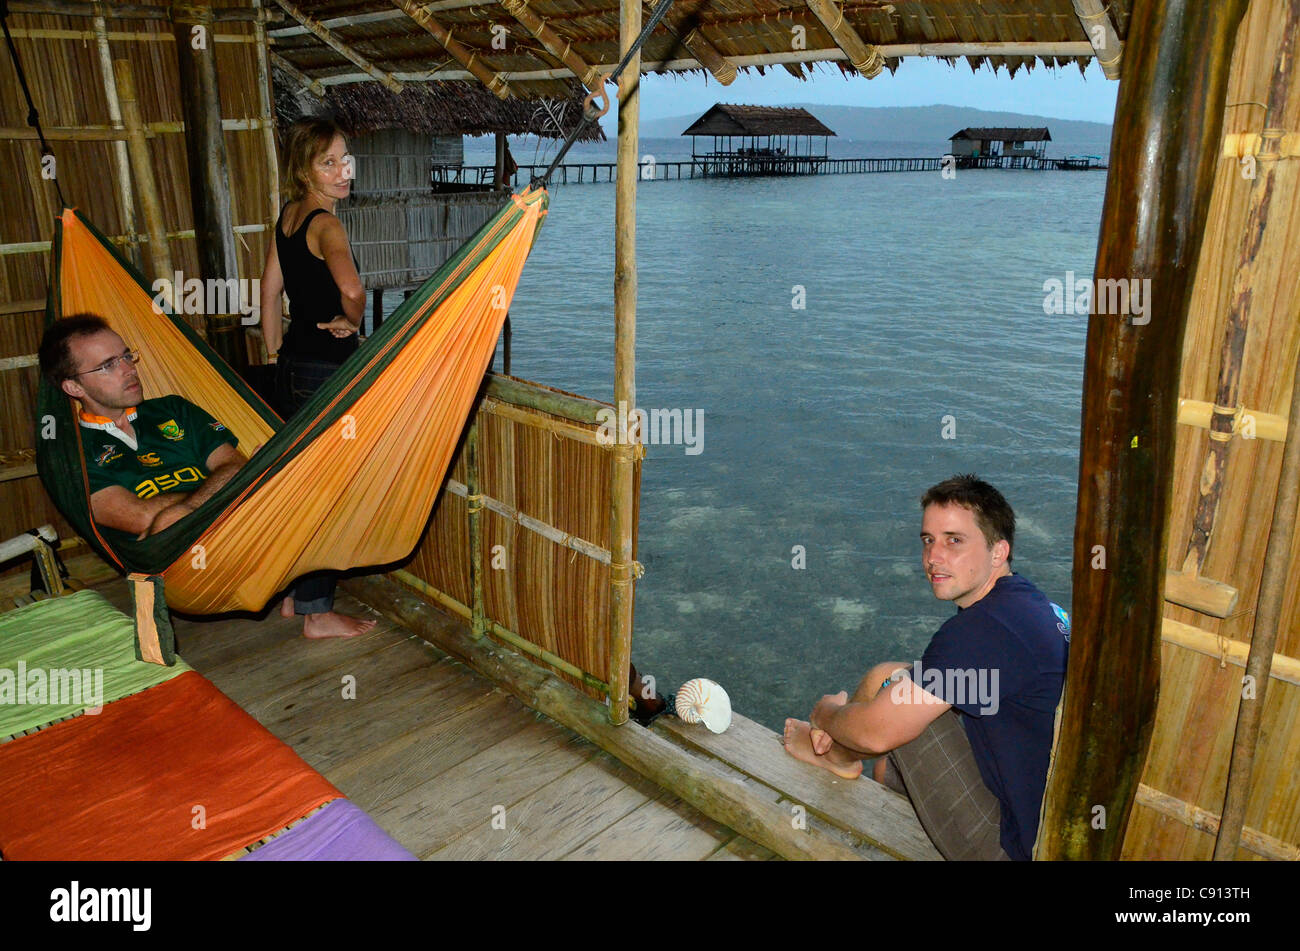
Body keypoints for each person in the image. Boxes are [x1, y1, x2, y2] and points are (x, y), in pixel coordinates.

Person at [782, 474, 1069, 861]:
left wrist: (824, 714)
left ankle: (835, 753)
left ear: (998, 552)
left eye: (954, 540)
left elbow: (876, 734)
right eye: (928, 540)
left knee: (896, 709)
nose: (934, 556)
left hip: (1015, 848)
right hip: (1048, 823)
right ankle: (841, 757)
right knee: (895, 680)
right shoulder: (1029, 606)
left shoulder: (982, 630)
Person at [39, 314, 374, 640]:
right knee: (169, 522)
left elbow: (232, 463)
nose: (129, 369)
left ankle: (311, 606)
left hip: (236, 529)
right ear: (73, 385)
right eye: (108, 365)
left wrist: (223, 490)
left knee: (312, 473)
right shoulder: (69, 452)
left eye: (127, 356)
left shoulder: (173, 409)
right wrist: (236, 487)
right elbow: (140, 517)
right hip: (178, 563)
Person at [259, 117, 375, 639]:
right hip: (327, 371)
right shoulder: (327, 224)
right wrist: (353, 321)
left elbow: (268, 292)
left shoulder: (287, 217)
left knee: (297, 484)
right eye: (328, 162)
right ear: (303, 170)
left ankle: (290, 595)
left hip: (292, 369)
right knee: (332, 489)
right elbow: (352, 289)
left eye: (345, 158)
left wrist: (275, 349)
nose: (342, 170)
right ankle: (318, 613)